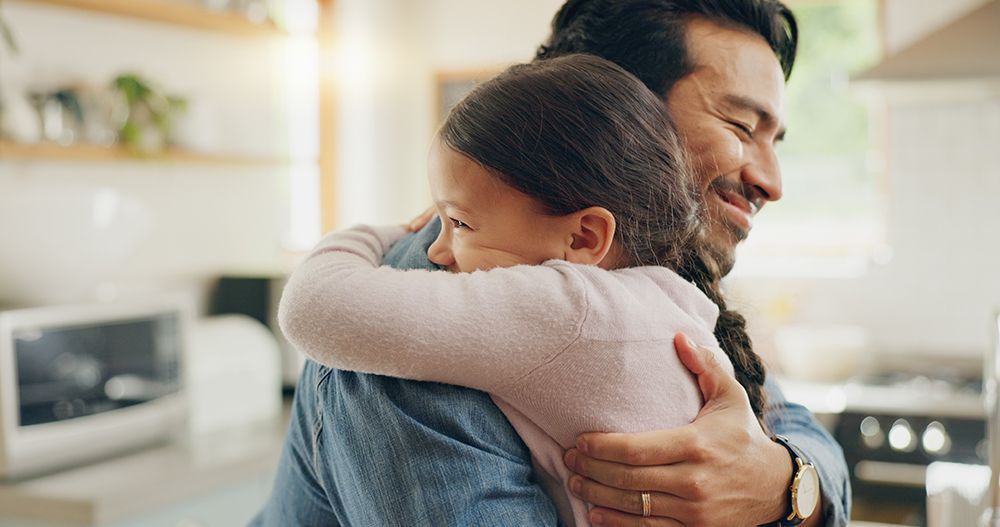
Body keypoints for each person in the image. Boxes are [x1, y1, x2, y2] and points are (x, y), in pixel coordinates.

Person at [253, 1, 851, 526]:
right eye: (742, 126)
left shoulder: (653, 284)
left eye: (777, 141)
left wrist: (782, 483)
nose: (771, 182)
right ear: (616, 108)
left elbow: (800, 430)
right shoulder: (429, 303)